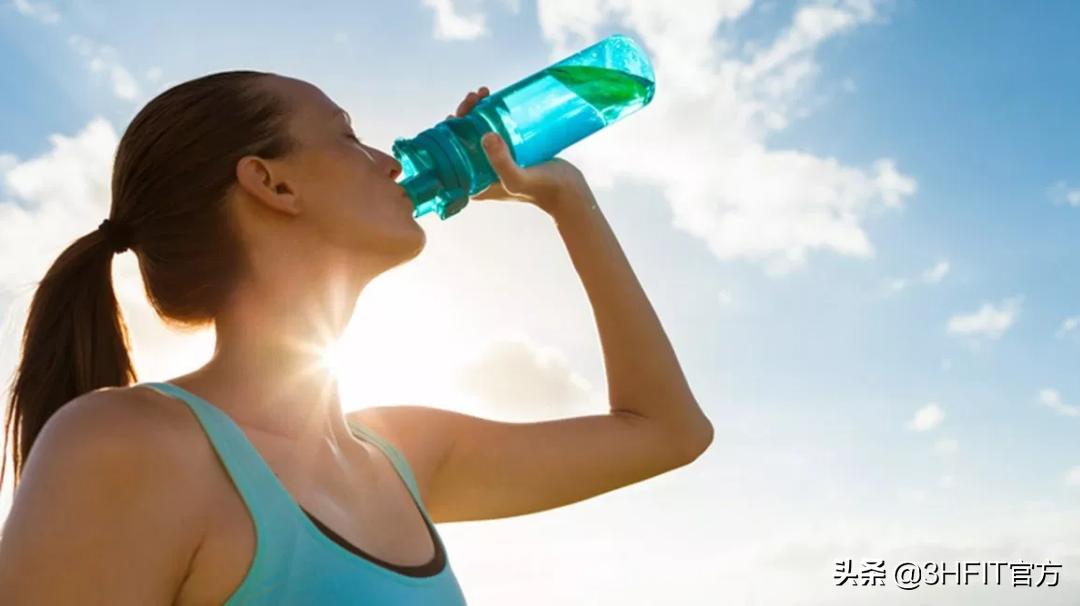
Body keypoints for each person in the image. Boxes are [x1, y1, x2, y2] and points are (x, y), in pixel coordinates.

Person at [0, 71, 714, 604]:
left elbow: (668, 432)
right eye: (347, 136)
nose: (391, 160)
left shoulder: (399, 455)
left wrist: (565, 199)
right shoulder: (128, 444)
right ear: (271, 184)